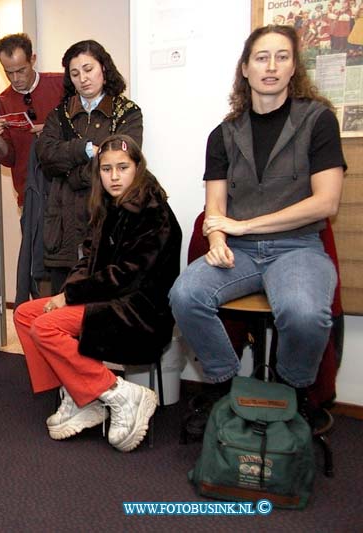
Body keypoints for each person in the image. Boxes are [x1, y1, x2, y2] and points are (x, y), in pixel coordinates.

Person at [169, 25, 345, 426]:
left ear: (293, 68)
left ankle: (291, 390)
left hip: (298, 247)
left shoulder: (318, 121)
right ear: (245, 69)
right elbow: (214, 206)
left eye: (282, 57)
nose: (271, 66)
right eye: (261, 57)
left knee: (303, 314)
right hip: (240, 253)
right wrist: (216, 237)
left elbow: (326, 202)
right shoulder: (223, 134)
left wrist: (243, 226)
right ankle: (228, 385)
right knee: (185, 295)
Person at [13, 135, 182, 453]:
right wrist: (67, 293)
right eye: (106, 169)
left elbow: (127, 277)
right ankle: (78, 395)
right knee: (25, 314)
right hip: (109, 299)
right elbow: (87, 260)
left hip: (140, 310)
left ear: (137, 168)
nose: (114, 176)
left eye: (122, 167)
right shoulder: (107, 206)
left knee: (45, 327)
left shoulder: (154, 213)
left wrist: (71, 296)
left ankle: (119, 394)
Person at [36, 39, 143, 294]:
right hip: (64, 227)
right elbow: (46, 157)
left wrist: (72, 175)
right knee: (61, 308)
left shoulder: (127, 112)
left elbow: (121, 163)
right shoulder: (58, 114)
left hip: (107, 219)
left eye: (88, 69)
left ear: (103, 69)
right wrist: (84, 149)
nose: (83, 78)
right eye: (75, 73)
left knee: (102, 309)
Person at [0, 33, 64, 207]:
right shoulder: (3, 101)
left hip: (67, 193)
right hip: (29, 197)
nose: (15, 79)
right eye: (8, 72)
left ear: (33, 60)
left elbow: (84, 131)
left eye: (21, 70)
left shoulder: (61, 84)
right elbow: (9, 160)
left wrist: (54, 129)